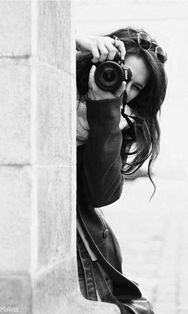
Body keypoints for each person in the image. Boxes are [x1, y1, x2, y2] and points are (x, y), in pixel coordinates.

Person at [76, 26, 168, 314]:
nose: (124, 88)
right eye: (121, 73)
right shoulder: (55, 86)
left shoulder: (112, 123)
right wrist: (71, 44)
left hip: (94, 256)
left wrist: (105, 113)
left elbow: (101, 194)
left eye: (137, 87)